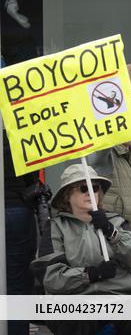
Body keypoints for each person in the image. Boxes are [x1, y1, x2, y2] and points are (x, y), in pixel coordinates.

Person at [32, 163, 131, 335]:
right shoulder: (55, 227)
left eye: (95, 188)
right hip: (78, 303)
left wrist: (112, 233)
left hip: (117, 301)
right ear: (68, 195)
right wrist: (90, 274)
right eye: (84, 188)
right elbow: (51, 277)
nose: (91, 192)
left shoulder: (115, 222)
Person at [4, 134, 39, 335]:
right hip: (17, 209)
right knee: (17, 285)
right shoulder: (21, 134)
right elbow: (32, 179)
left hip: (14, 208)